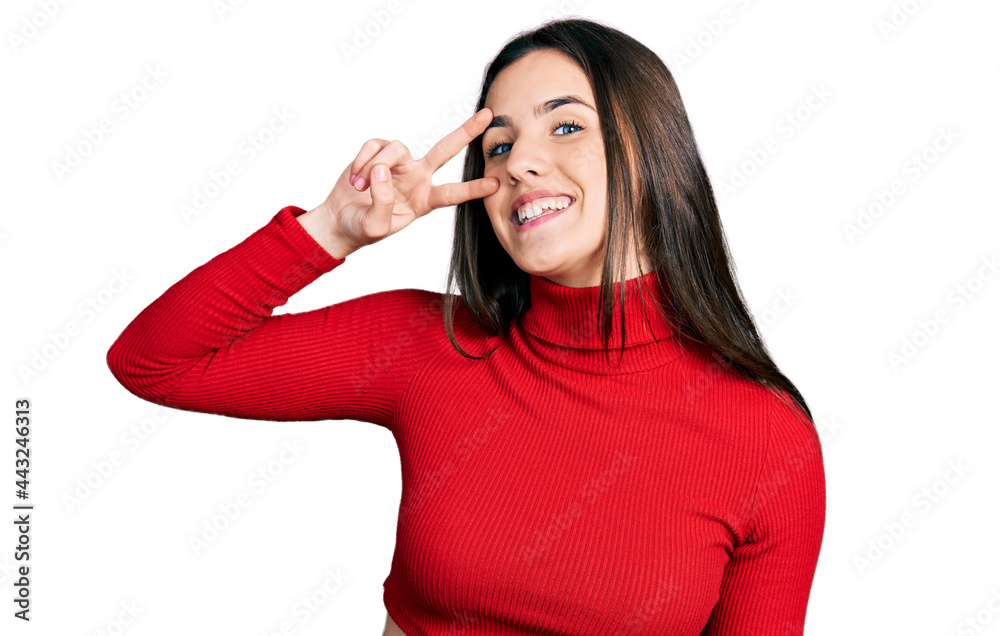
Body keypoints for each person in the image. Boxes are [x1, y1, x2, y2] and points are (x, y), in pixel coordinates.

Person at [107, 17, 825, 636]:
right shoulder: (429, 345)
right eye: (500, 145)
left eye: (566, 127)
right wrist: (332, 230)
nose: (520, 164)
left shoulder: (766, 436)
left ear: (652, 152)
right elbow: (154, 362)